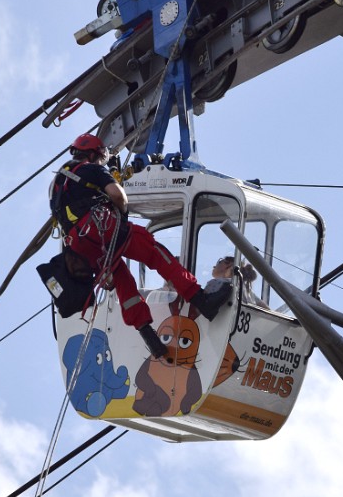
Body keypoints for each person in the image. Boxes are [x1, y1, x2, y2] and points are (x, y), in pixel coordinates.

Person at [50, 133, 231, 357]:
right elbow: (118, 196)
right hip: (101, 229)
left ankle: (148, 335)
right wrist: (123, 215)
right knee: (155, 253)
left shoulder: (57, 183)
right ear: (94, 154)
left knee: (121, 276)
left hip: (80, 247)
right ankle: (202, 300)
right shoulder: (92, 169)